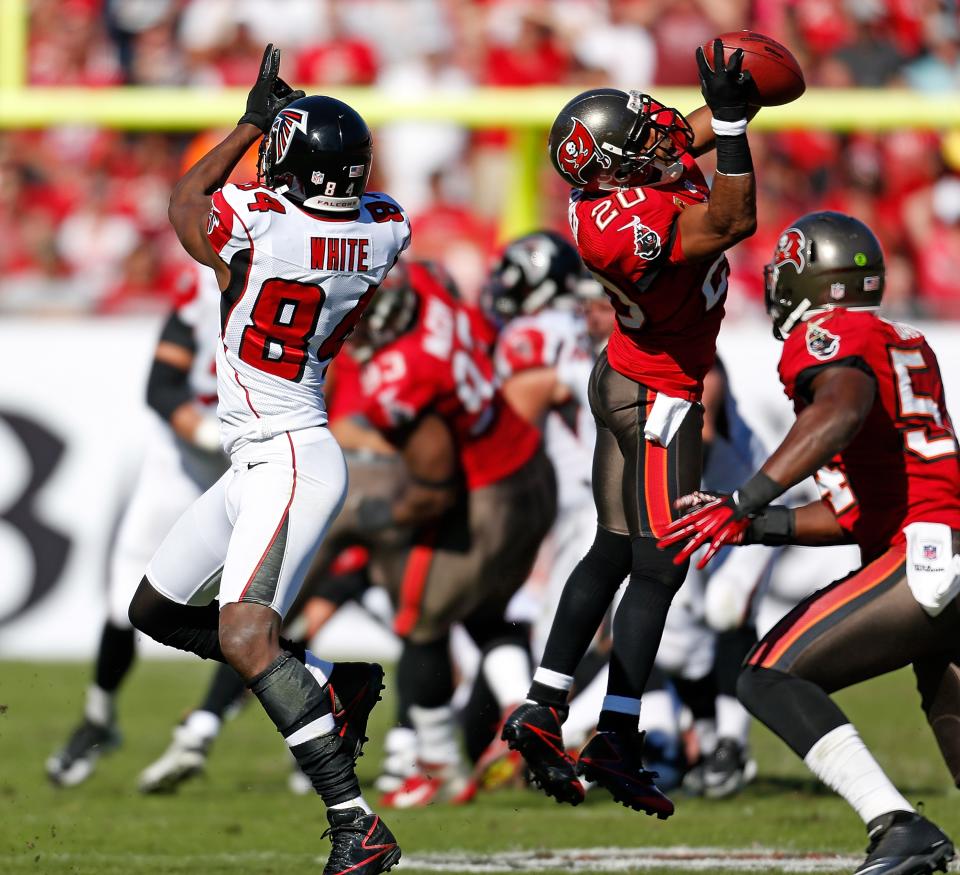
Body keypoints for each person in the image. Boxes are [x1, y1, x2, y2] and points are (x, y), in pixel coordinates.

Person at [126, 45, 409, 875]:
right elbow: (355, 206)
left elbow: (187, 200)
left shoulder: (261, 227)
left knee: (246, 634)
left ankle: (356, 821)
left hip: (287, 452)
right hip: (268, 453)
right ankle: (331, 682)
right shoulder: (385, 228)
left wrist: (252, 120)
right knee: (157, 609)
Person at [501, 40, 761, 817]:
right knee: (658, 565)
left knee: (613, 547)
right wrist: (738, 126)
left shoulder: (622, 181)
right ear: (614, 170)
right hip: (657, 395)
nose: (659, 134)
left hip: (626, 376)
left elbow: (679, 136)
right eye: (640, 139)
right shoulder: (629, 224)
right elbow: (734, 215)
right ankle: (615, 732)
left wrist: (728, 103)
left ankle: (544, 704)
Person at [660, 211, 958, 875]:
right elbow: (859, 511)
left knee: (768, 673)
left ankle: (898, 823)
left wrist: (745, 497)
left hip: (926, 552)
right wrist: (755, 526)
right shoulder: (899, 337)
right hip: (938, 541)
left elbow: (841, 409)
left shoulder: (830, 334)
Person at [350, 259, 557, 808]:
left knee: (420, 617)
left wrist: (381, 518)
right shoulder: (421, 283)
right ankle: (521, 711)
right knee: (485, 608)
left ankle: (437, 762)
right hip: (529, 466)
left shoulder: (399, 376)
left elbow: (433, 490)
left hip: (488, 495)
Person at [46, 264, 226, 787]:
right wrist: (209, 433)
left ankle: (217, 731)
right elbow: (162, 387)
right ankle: (99, 717)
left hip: (263, 464)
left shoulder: (308, 275)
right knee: (126, 601)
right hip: (188, 465)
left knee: (261, 609)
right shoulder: (200, 285)